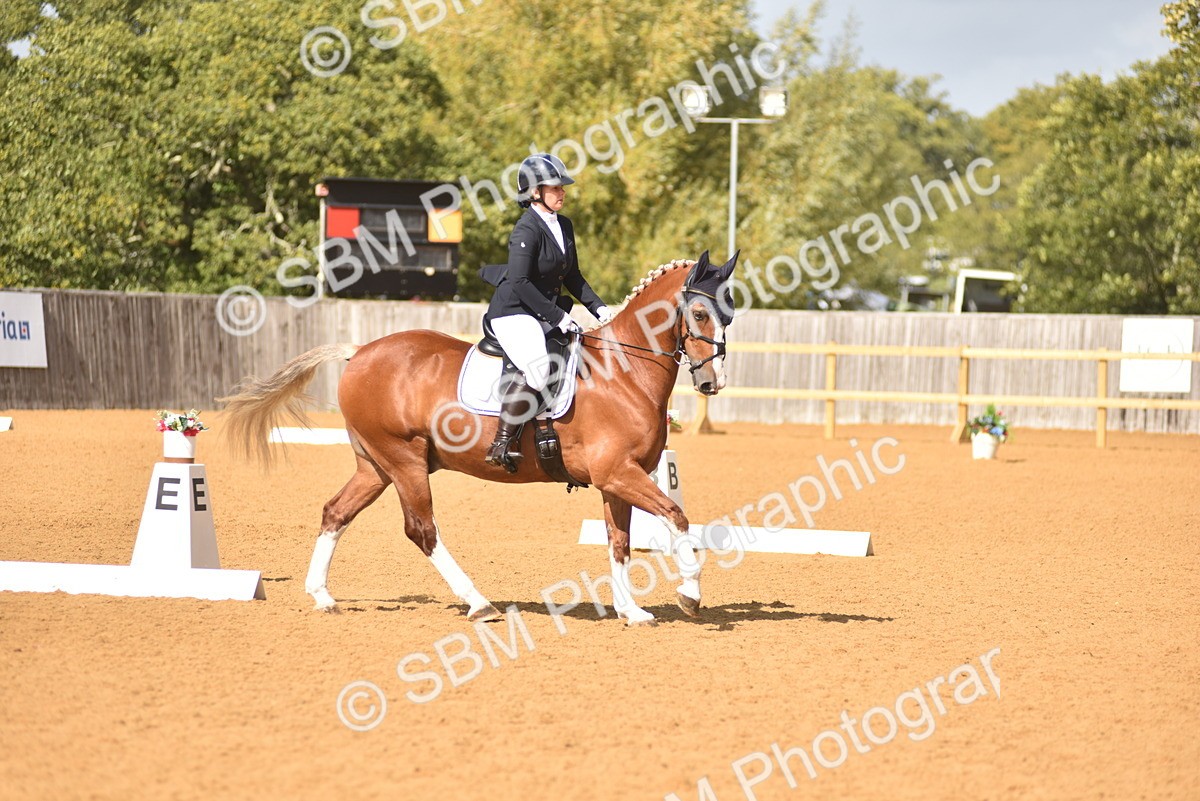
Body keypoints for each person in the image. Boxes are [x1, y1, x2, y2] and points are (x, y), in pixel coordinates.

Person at [482, 153, 612, 472]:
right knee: (538, 370)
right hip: (514, 311)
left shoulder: (563, 225)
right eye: (555, 188)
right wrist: (558, 317)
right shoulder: (526, 229)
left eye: (562, 187)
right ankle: (501, 442)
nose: (562, 192)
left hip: (542, 312)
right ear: (535, 192)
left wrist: (600, 310)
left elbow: (573, 276)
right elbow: (520, 282)